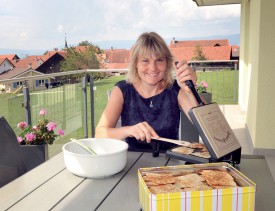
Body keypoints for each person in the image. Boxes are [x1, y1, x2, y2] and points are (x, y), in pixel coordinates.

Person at [95, 32, 199, 152]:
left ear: (167, 63)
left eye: (159, 60)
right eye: (145, 61)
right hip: (132, 163)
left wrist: (190, 91)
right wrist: (129, 130)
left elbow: (208, 128)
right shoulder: (122, 90)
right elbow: (100, 133)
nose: (153, 68)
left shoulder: (175, 89)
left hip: (169, 165)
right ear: (135, 64)